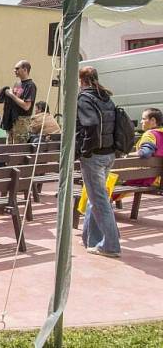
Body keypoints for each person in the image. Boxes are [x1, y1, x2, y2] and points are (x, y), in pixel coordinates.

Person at [76, 66, 121, 258]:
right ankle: (91, 239)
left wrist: (84, 151)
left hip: (94, 155)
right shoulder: (106, 97)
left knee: (99, 199)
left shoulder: (84, 98)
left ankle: (111, 245)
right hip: (109, 153)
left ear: (81, 80)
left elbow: (91, 125)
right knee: (95, 197)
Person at [0, 60, 36, 144]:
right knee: (9, 146)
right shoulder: (17, 84)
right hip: (12, 120)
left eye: (17, 68)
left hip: (22, 121)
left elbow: (26, 106)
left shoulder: (30, 85)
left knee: (20, 148)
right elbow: (12, 102)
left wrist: (11, 95)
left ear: (25, 70)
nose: (15, 71)